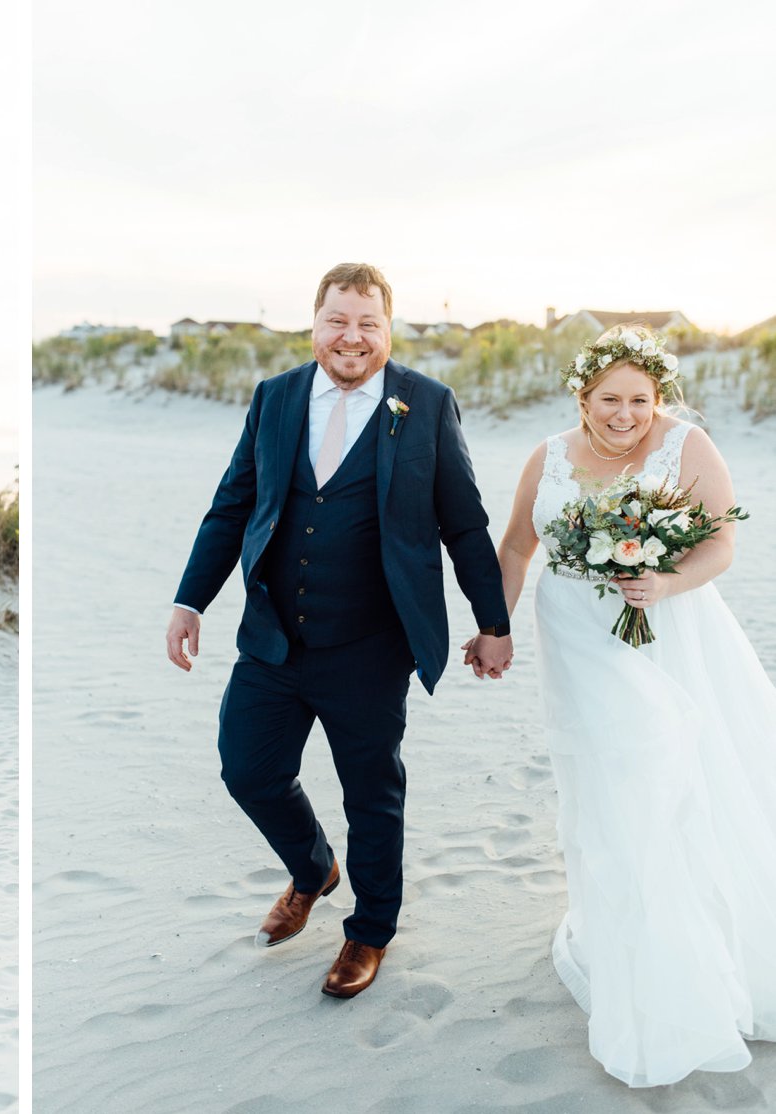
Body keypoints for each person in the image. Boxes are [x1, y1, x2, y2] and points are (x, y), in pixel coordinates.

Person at [165, 263, 512, 999]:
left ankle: (369, 931)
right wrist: (190, 600)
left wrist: (493, 623)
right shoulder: (275, 397)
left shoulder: (426, 403)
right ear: (314, 324)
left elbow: (466, 524)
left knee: (372, 795)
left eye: (368, 323)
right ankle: (312, 868)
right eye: (337, 321)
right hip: (273, 639)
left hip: (370, 646)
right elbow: (232, 506)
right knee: (247, 769)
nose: (351, 337)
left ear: (389, 330)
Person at [478, 323, 776, 1087]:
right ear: (582, 395)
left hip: (663, 631)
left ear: (659, 395)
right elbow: (516, 547)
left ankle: (692, 967)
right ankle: (634, 945)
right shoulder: (547, 455)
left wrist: (663, 582)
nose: (624, 414)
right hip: (575, 638)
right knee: (610, 788)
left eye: (639, 399)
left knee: (667, 774)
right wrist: (495, 626)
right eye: (609, 398)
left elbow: (720, 544)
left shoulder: (687, 448)